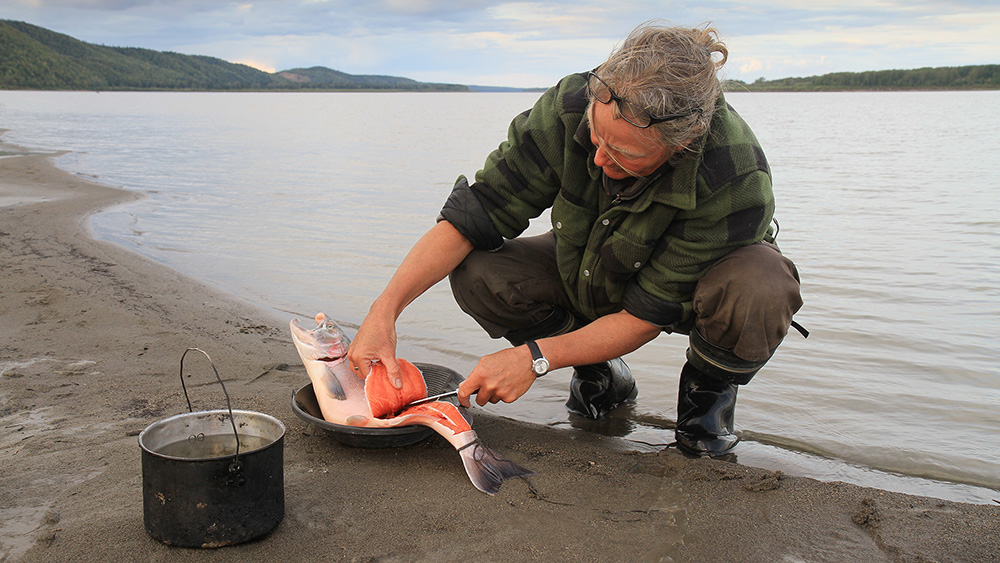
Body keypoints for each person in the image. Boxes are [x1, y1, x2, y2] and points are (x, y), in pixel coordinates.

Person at [347, 21, 804, 457]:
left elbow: (648, 314)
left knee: (760, 284)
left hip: (697, 288)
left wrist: (535, 359)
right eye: (596, 135)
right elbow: (476, 213)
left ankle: (706, 404)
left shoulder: (733, 174)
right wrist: (383, 312)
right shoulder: (570, 105)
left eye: (624, 155)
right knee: (477, 269)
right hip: (589, 260)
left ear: (681, 145)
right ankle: (600, 373)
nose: (601, 159)